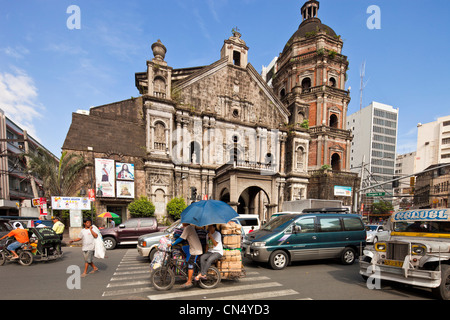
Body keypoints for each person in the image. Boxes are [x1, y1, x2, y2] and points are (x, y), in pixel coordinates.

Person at [169, 223, 202, 288]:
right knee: (183, 248)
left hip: (195, 250)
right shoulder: (190, 227)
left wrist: (172, 244)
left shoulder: (188, 228)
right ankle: (188, 271)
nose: (182, 223)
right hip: (193, 247)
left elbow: (181, 238)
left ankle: (189, 281)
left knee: (190, 263)